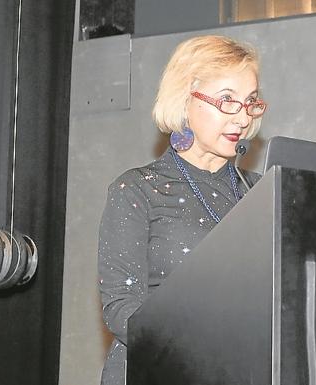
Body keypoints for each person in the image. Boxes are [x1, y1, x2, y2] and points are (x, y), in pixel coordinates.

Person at [97, 35, 266, 385]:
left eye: (249, 102)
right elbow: (121, 309)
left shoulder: (265, 190)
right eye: (227, 100)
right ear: (185, 98)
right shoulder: (137, 190)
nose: (242, 117)